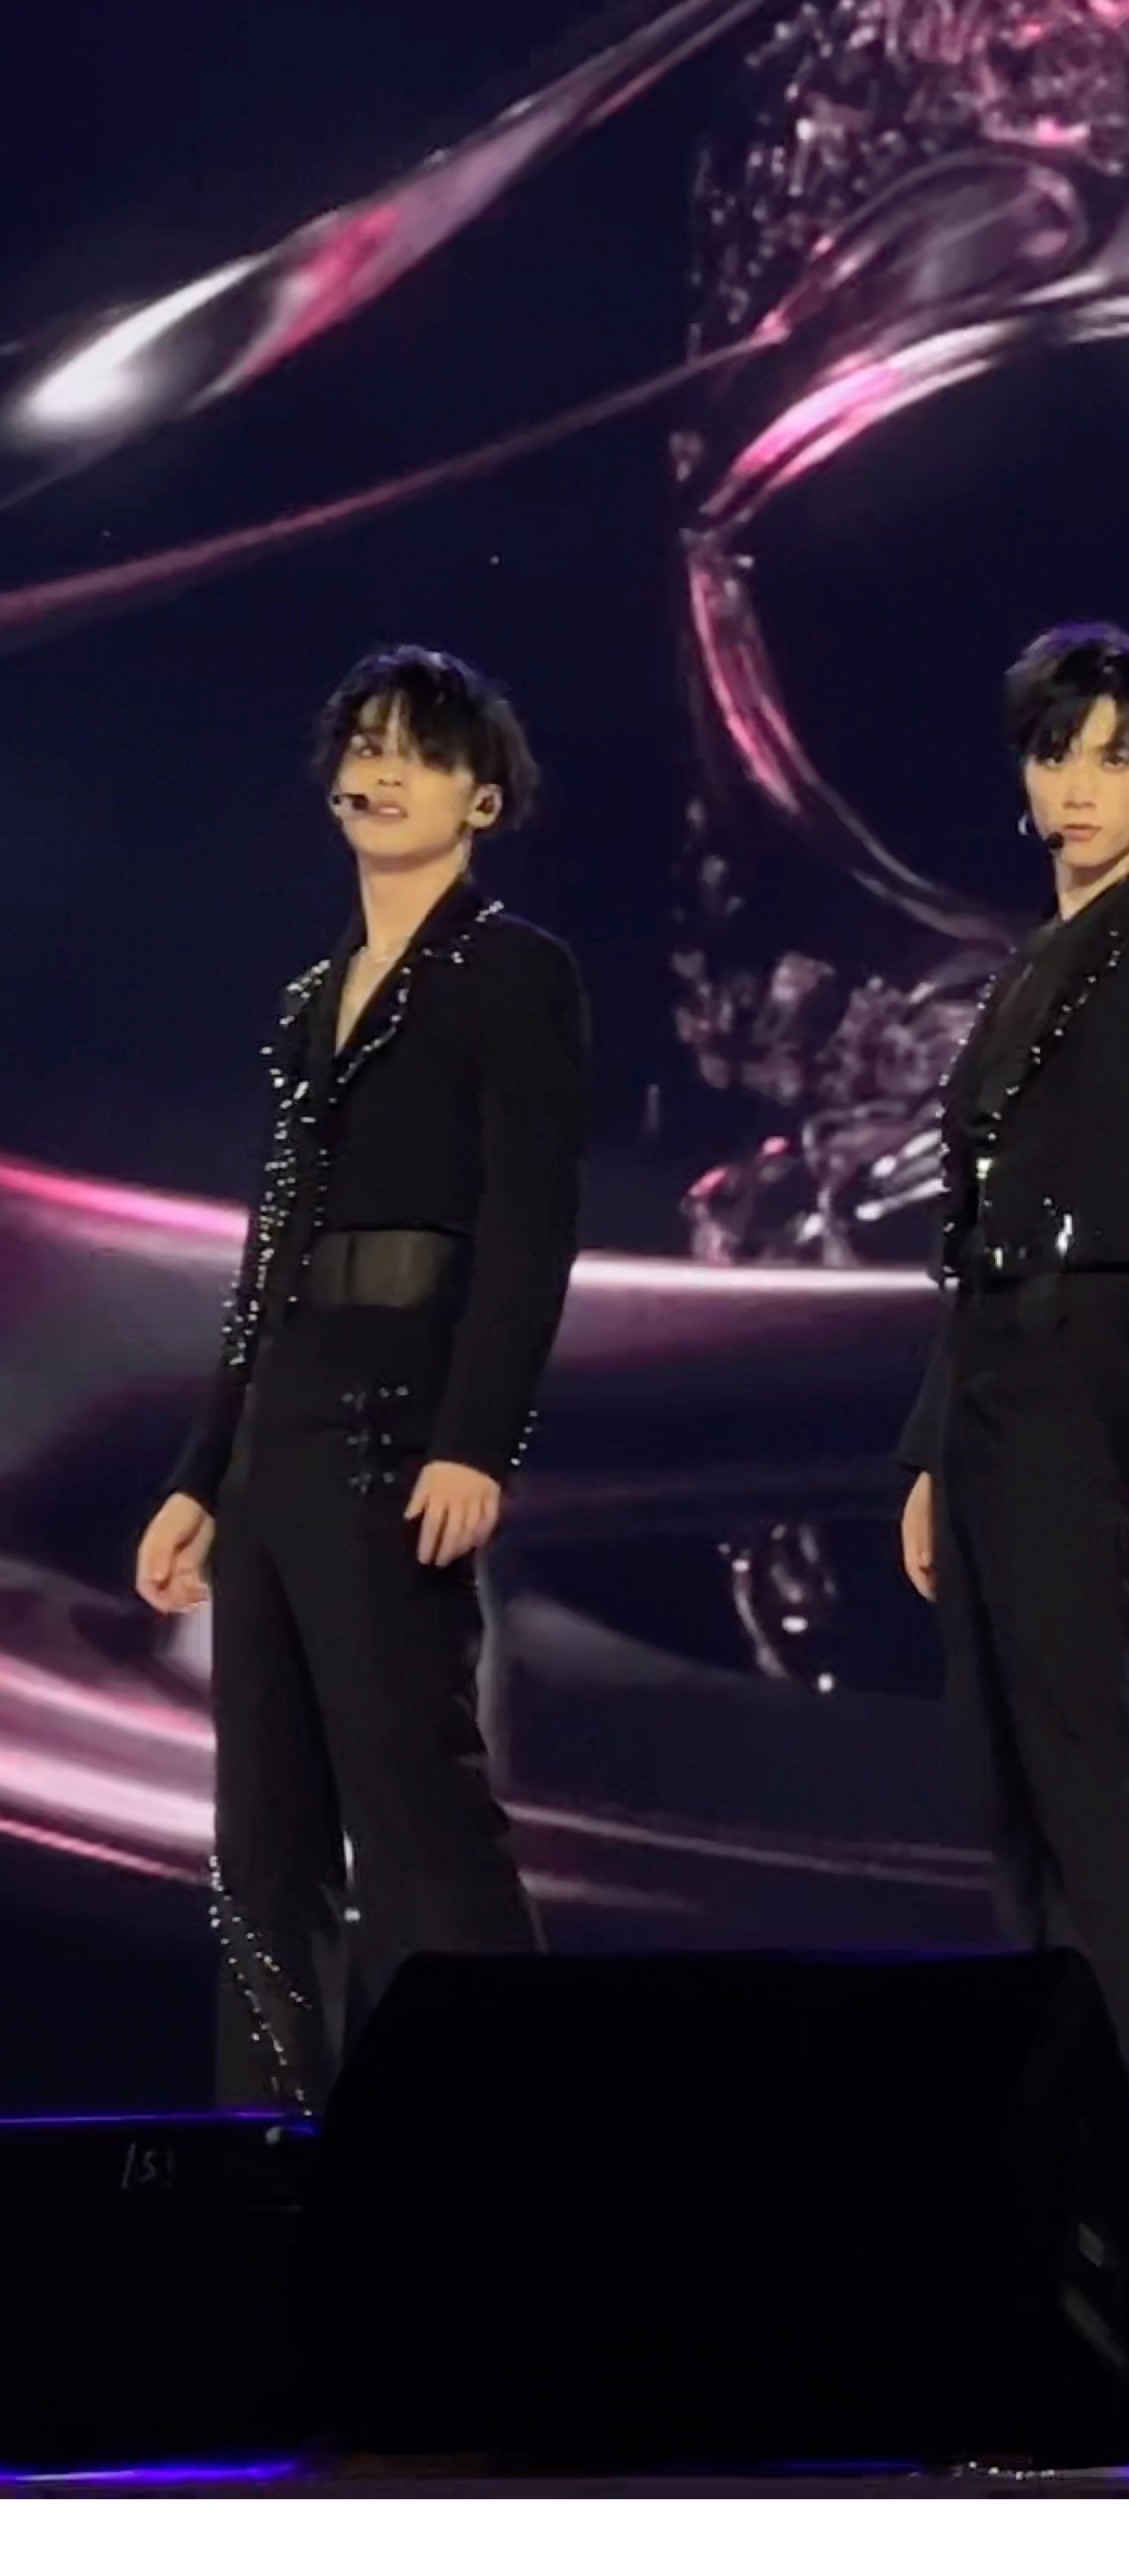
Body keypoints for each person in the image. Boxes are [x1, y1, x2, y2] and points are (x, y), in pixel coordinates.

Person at [133, 646, 588, 2109]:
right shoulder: (309, 999)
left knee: (415, 1809)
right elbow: (269, 1253)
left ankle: (498, 2131)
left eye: (419, 752)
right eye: (366, 744)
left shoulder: (514, 973)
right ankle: (266, 2152)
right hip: (281, 1430)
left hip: (402, 1424)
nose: (381, 771)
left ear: (482, 799)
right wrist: (204, 1474)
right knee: (260, 1838)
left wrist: (476, 1440)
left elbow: (529, 1227)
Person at [894, 624, 1129, 2096]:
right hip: (992, 1381)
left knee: (1075, 1765)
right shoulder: (1022, 970)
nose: (1079, 786)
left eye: (1115, 758)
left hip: (1093, 1380)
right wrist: (928, 1449)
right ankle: (1054, 2110)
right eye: (1057, 755)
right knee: (1004, 1782)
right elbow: (974, 1230)